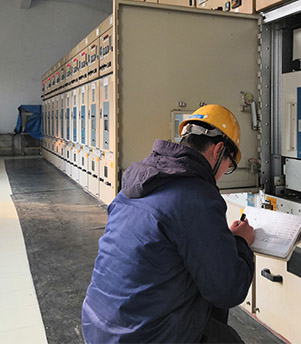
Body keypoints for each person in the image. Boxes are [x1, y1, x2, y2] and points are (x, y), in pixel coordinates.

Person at [82, 104, 255, 343]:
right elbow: (228, 290)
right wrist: (241, 243)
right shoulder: (197, 195)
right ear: (218, 150)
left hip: (99, 325)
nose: (225, 172)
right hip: (142, 337)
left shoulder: (141, 180)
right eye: (229, 165)